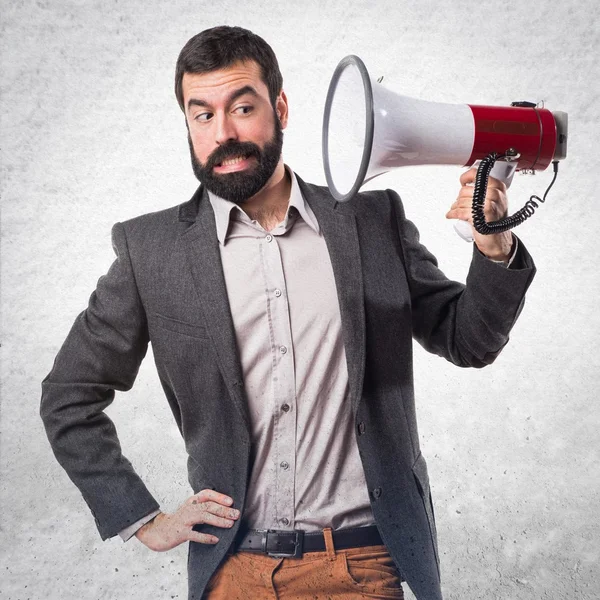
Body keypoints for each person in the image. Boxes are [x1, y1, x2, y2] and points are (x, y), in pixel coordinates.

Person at [40, 26, 535, 600]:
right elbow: (69, 393)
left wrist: (492, 247)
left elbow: (467, 340)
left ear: (280, 106)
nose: (223, 133)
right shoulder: (150, 252)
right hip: (234, 573)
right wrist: (142, 518)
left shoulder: (370, 223)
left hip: (363, 566)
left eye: (242, 107)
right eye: (202, 115)